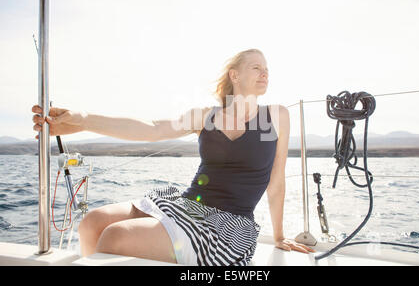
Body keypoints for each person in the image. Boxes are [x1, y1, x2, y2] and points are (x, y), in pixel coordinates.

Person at [31, 48, 315, 265]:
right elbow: (152, 128)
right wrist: (82, 120)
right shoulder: (207, 116)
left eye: (267, 69)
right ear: (235, 75)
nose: (265, 73)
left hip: (227, 225)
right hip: (187, 205)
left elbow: (276, 183)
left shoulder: (275, 117)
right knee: (91, 221)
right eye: (256, 67)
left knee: (115, 237)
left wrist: (278, 236)